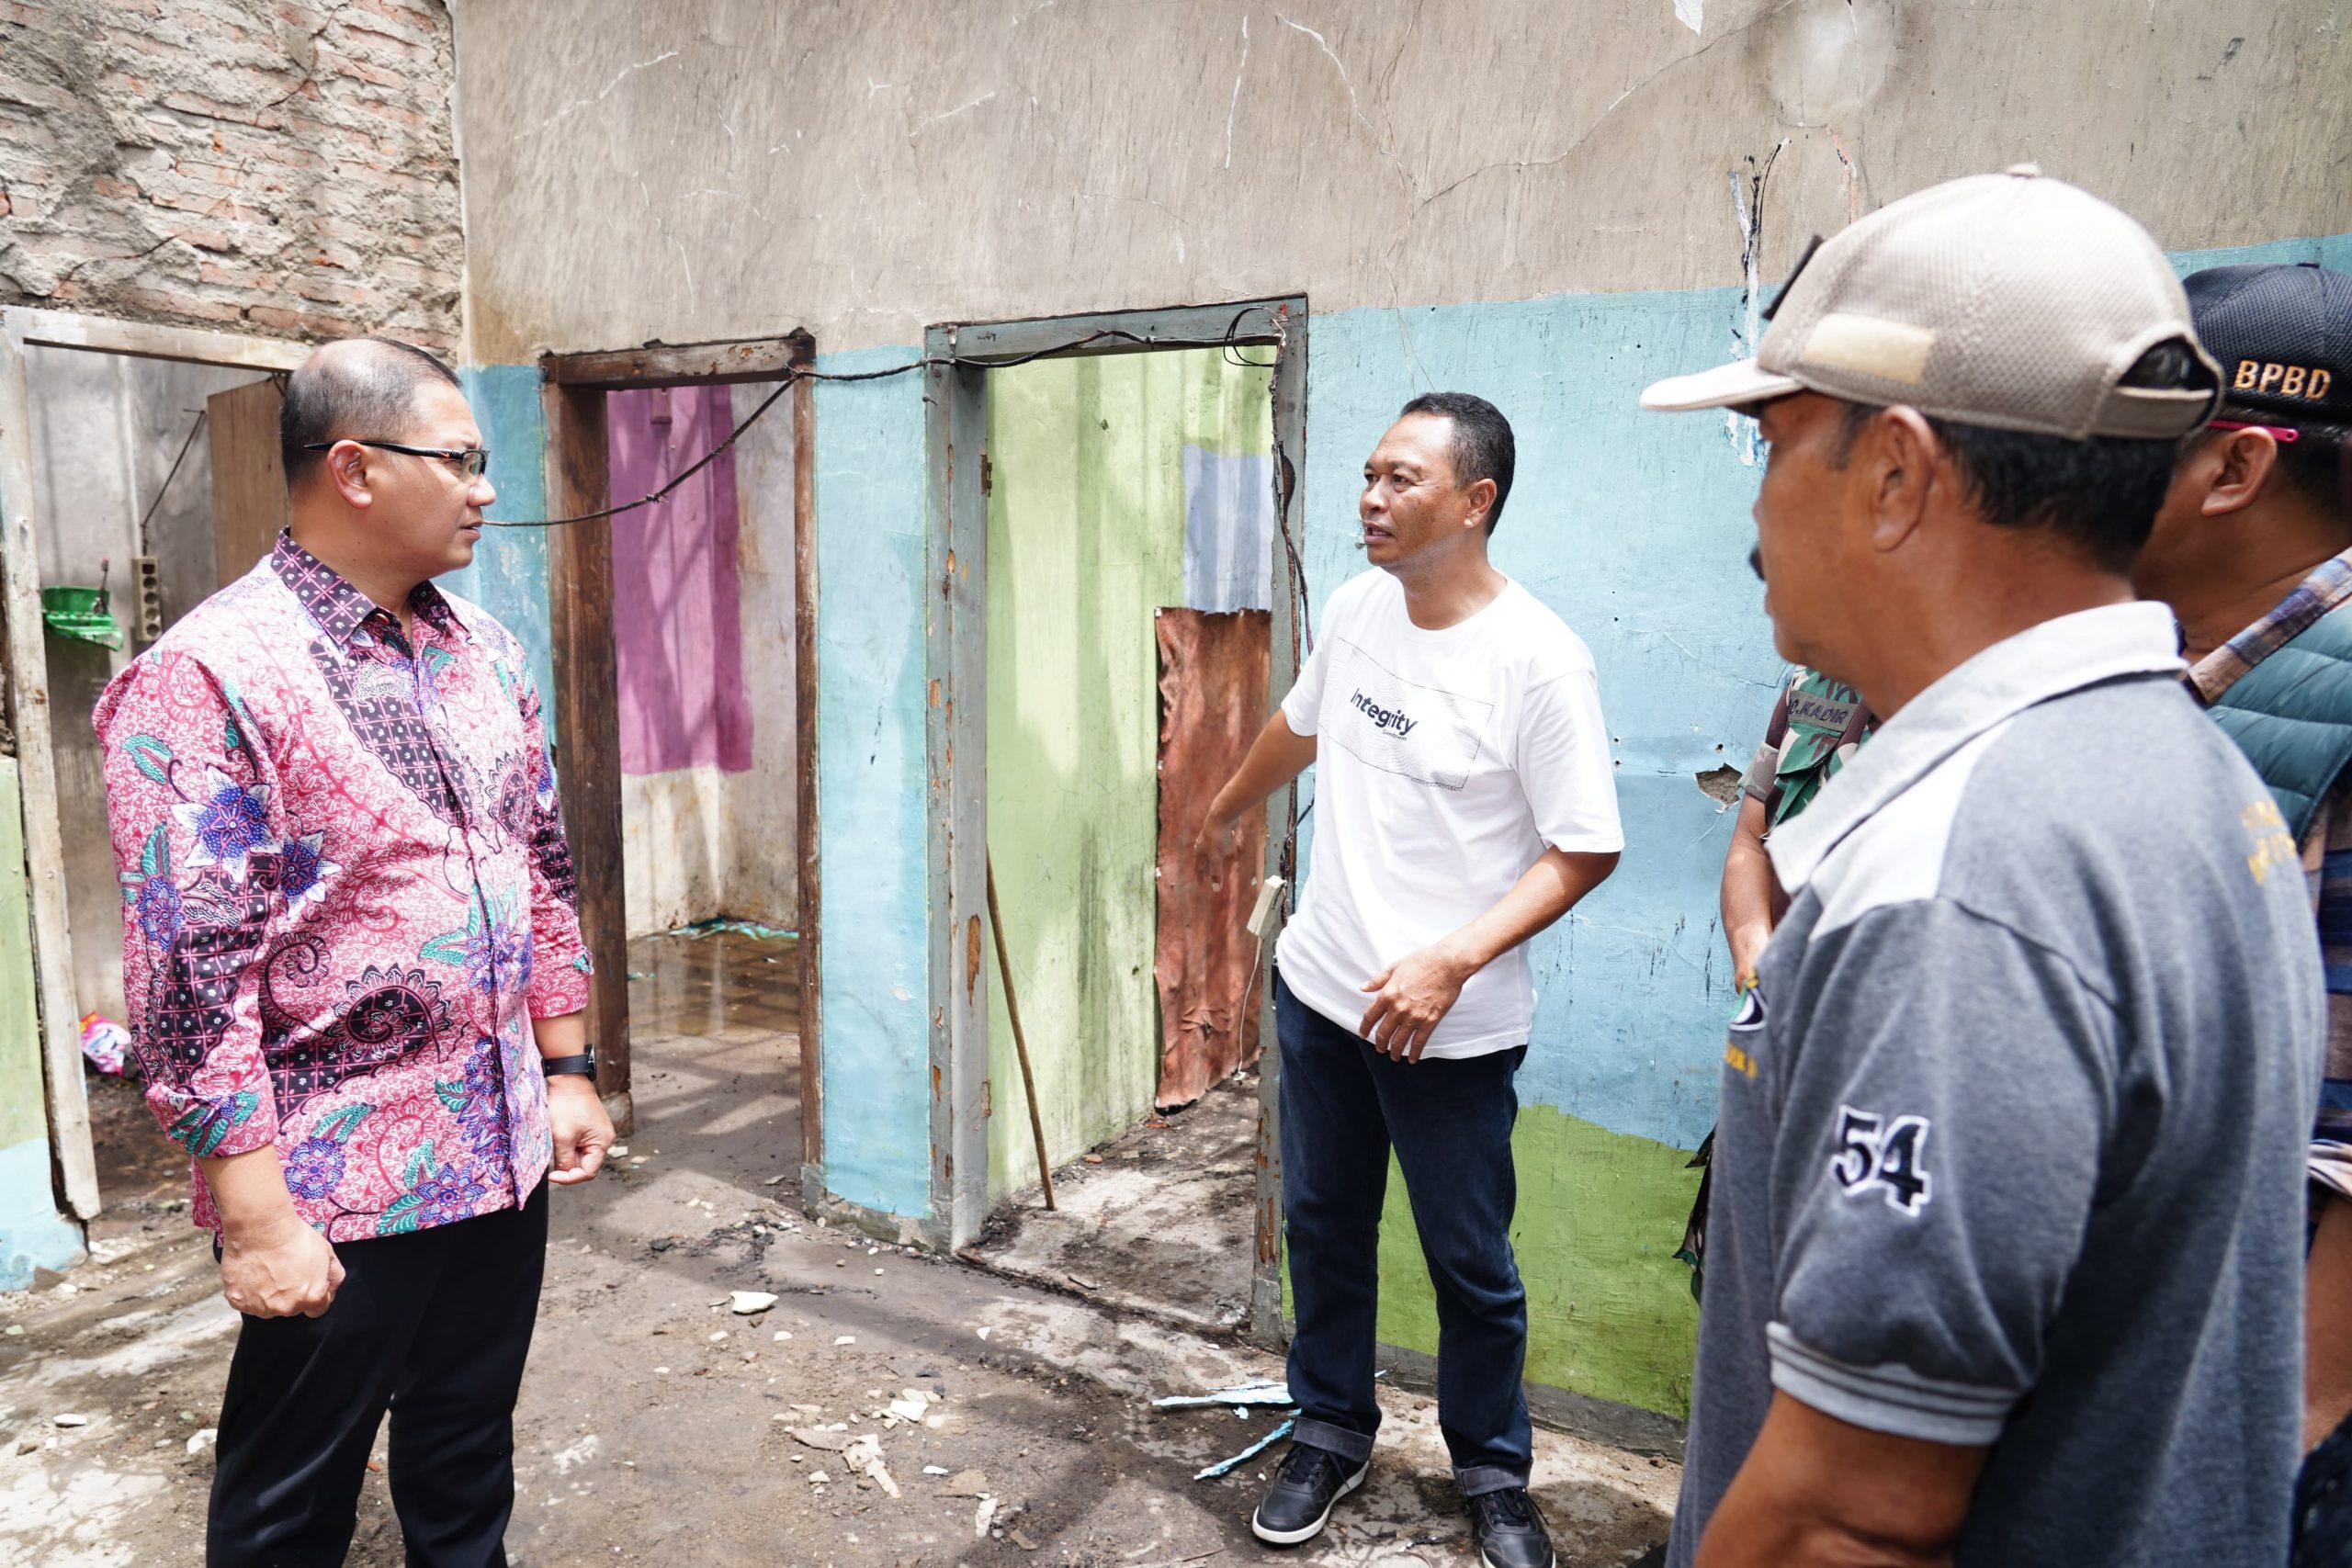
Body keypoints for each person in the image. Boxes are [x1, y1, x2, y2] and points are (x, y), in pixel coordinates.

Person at [1639, 168, 2320, 1567]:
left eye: (1772, 446)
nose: (1756, 512)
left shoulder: (1969, 882)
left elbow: (1851, 1515)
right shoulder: (2180, 775)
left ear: (1895, 472)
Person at [96, 337, 610, 1566]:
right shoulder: (210, 675)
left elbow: (538, 859)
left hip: (500, 1146)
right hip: (337, 1176)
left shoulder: (484, 652)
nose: (485, 487)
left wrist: (569, 1061)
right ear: (355, 468)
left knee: (465, 1442)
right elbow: (188, 979)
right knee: (291, 1494)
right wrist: (256, 1213)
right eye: (461, 459)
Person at [1196, 391, 1623, 1568]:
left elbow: (1585, 845)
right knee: (1324, 1225)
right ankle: (1330, 1426)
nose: (1370, 500)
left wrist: (1452, 959)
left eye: (1401, 480)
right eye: (1370, 475)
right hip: (1323, 989)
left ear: (1474, 502)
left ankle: (1490, 1468)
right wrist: (1222, 812)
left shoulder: (1539, 661)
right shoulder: (1357, 607)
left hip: (1449, 1023)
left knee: (1468, 1263)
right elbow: (1302, 719)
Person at [2126, 260, 2352, 1551]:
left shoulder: (2335, 692)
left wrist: (2292, 1429)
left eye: (2124, 445)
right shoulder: (2170, 667)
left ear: (2234, 469)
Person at [1681, 667, 1874, 1291]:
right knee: (1742, 1284)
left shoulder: (1990, 699)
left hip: (1882, 1072)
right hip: (1778, 1044)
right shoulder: (1811, 683)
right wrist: (1757, 965)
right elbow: (1749, 844)